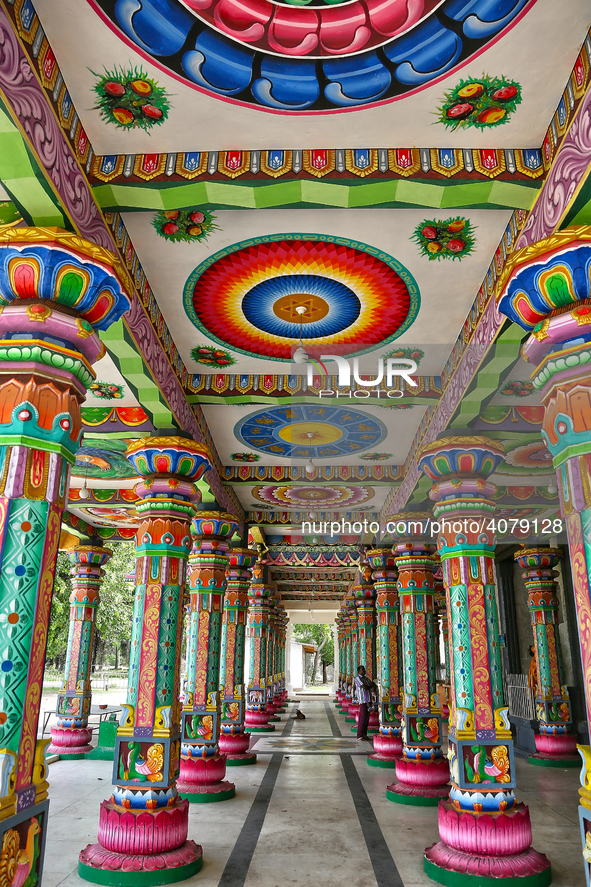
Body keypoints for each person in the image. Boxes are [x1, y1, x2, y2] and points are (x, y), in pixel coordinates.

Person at [354, 665, 376, 742]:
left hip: (369, 700)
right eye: (362, 669)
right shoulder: (357, 679)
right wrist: (370, 686)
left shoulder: (366, 679)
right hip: (363, 701)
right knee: (362, 718)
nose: (364, 670)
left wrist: (370, 687)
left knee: (367, 718)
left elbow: (373, 685)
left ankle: (364, 735)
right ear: (359, 671)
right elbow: (364, 687)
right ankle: (359, 736)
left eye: (364, 669)